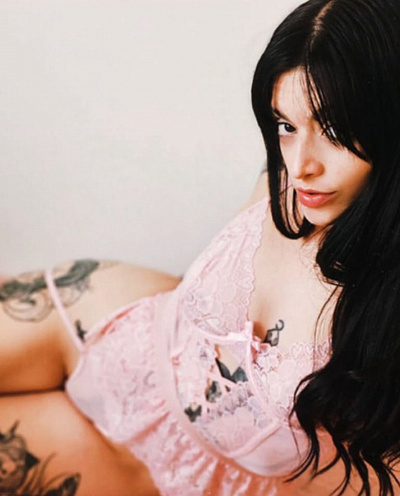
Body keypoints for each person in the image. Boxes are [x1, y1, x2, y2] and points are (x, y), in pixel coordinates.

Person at [1, 0, 400, 494]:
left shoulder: (383, 320)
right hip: (105, 330)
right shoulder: (291, 178)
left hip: (162, 472)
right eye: (286, 125)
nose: (300, 167)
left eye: (335, 130)